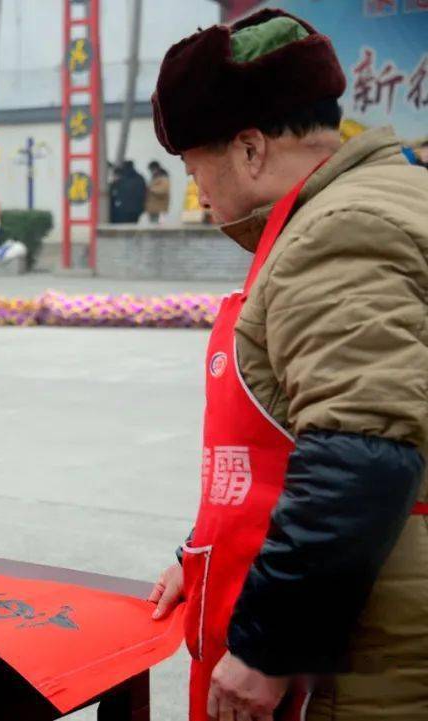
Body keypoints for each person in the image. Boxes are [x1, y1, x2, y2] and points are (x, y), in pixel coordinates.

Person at [147, 9, 428, 721]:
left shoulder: (340, 231)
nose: (197, 191)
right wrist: (202, 553)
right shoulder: (377, 198)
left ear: (248, 150)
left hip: (372, 650)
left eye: (194, 166)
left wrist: (267, 647)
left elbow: (361, 451)